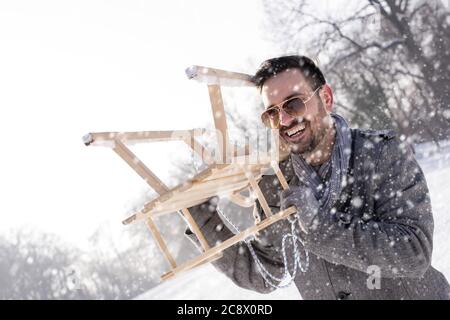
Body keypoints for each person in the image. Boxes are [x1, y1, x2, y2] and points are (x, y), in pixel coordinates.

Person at [185, 55, 450, 300]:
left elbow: (413, 253)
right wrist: (200, 216)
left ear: (325, 97)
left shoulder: (382, 153)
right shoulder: (274, 182)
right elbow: (266, 273)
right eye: (272, 113)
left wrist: (320, 226)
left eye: (294, 103)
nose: (285, 120)